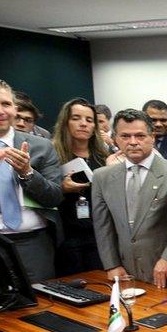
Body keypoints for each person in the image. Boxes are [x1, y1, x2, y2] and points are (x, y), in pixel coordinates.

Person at [91, 109, 167, 290]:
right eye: (125, 136)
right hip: (124, 273)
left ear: (152, 137)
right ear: (115, 138)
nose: (133, 142)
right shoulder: (101, 177)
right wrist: (111, 264)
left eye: (140, 135)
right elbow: (102, 226)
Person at [0, 80, 63, 282]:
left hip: (34, 243)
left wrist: (27, 172)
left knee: (41, 307)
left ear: (15, 109)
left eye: (5, 104)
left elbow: (54, 197)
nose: (0, 111)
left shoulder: (40, 146)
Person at [51, 97, 109, 275]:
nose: (83, 124)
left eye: (89, 120)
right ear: (65, 123)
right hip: (67, 235)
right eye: (76, 118)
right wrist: (62, 188)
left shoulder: (104, 156)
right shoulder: (52, 154)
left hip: (99, 233)